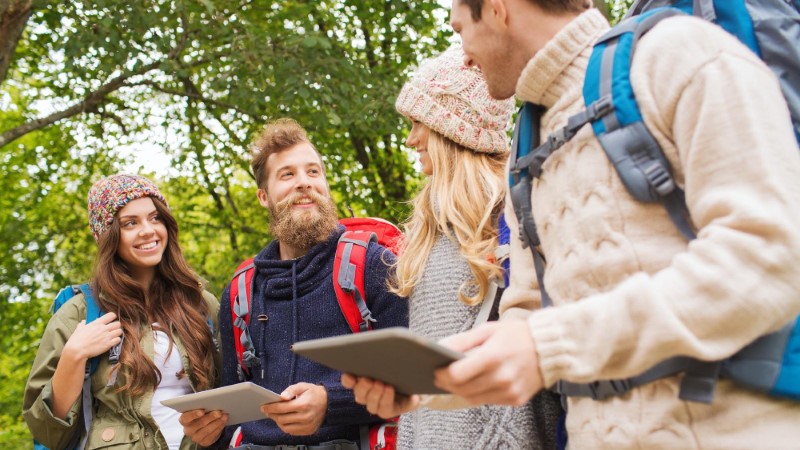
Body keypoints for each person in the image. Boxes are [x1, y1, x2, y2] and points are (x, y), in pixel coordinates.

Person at [432, 0, 800, 448]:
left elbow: (768, 258)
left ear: (497, 9)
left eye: (459, 30)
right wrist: (427, 384)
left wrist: (548, 346)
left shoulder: (679, 54)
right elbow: (527, 317)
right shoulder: (526, 144)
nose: (464, 57)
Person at [341, 46, 562, 450]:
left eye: (417, 125)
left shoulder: (514, 215)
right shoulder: (428, 229)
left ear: (450, 128)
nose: (410, 140)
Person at [179, 118, 409, 450]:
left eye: (313, 172)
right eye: (287, 174)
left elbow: (410, 379)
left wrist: (330, 403)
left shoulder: (375, 266)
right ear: (263, 196)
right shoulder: (241, 291)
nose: (304, 182)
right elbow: (231, 413)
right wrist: (210, 433)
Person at [23, 174, 220, 450]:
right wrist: (73, 356)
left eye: (155, 218)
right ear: (108, 236)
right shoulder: (79, 312)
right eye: (130, 223)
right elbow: (47, 431)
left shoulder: (201, 304)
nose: (148, 230)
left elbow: (229, 394)